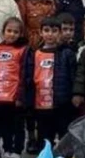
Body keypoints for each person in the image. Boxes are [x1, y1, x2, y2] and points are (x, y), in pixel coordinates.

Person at [23, 17, 77, 147]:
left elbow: (73, 76)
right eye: (46, 30)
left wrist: (74, 95)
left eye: (54, 31)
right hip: (40, 103)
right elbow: (28, 77)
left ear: (59, 33)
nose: (50, 34)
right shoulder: (34, 53)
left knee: (64, 134)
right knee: (44, 135)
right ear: (41, 32)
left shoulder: (67, 53)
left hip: (61, 101)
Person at [0, 18, 29, 158]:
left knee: (17, 125)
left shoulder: (23, 50)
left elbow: (24, 73)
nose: (12, 34)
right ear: (3, 31)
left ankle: (17, 152)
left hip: (14, 95)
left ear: (20, 34)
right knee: (2, 125)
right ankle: (7, 150)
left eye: (16, 32)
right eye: (9, 31)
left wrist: (20, 95)